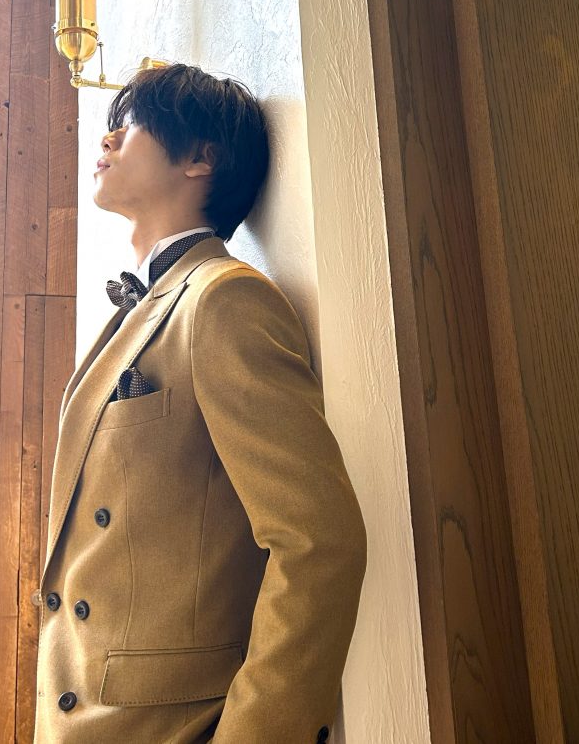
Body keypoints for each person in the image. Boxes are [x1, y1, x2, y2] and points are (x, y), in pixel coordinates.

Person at [32, 62, 367, 744]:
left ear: (200, 159)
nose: (106, 139)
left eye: (130, 126)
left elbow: (317, 540)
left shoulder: (223, 299)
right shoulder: (140, 309)